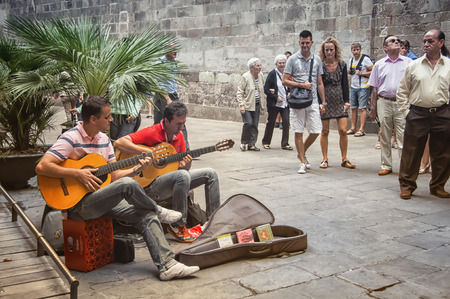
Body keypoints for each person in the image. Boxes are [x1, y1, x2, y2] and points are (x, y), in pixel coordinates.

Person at [35, 96, 200, 280]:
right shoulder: (71, 138)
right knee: (128, 186)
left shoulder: (104, 140)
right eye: (107, 117)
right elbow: (42, 167)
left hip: (103, 198)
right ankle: (158, 209)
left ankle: (167, 265)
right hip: (78, 204)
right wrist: (78, 174)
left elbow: (114, 177)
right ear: (93, 119)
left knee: (146, 214)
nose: (112, 120)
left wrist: (136, 169)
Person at [114, 101, 221, 242]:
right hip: (148, 184)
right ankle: (178, 225)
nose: (181, 127)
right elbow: (119, 143)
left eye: (183, 123)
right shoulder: (153, 132)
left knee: (211, 173)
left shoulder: (180, 137)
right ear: (166, 121)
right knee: (182, 176)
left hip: (167, 182)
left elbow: (181, 170)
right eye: (178, 124)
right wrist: (147, 151)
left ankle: (214, 222)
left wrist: (187, 163)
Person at [396, 29, 450, 199]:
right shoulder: (414, 65)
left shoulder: (448, 66)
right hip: (417, 114)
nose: (426, 44)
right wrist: (407, 113)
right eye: (424, 41)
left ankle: (437, 186)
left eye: (430, 41)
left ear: (441, 43)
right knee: (411, 152)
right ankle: (407, 185)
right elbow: (402, 91)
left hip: (442, 113)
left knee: (442, 153)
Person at [282, 30, 326, 174]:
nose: (305, 45)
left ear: (312, 43)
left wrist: (323, 101)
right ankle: (302, 161)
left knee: (315, 130)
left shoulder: (317, 60)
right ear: (299, 42)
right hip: (297, 100)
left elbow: (319, 82)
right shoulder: (292, 59)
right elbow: (285, 80)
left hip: (312, 99)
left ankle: (301, 151)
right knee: (298, 131)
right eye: (302, 43)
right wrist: (302, 85)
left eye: (307, 43)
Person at [368, 35, 412, 176]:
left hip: (402, 102)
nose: (396, 42)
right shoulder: (379, 64)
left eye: (397, 40)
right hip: (384, 101)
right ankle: (386, 165)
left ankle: (405, 166)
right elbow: (374, 88)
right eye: (392, 41)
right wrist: (373, 108)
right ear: (385, 47)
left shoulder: (409, 63)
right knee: (385, 134)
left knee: (403, 135)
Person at [318, 37, 355, 169]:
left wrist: (347, 100)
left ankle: (344, 158)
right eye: (327, 50)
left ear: (335, 50)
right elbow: (319, 84)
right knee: (325, 131)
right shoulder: (320, 65)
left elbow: (345, 83)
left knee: (343, 130)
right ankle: (325, 158)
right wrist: (320, 102)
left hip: (339, 100)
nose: (329, 52)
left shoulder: (342, 65)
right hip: (326, 100)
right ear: (323, 51)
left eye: (331, 50)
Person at [153, 47, 189, 150]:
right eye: (173, 51)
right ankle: (157, 147)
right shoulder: (159, 63)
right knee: (160, 122)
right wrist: (167, 99)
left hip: (173, 94)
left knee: (181, 121)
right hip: (162, 96)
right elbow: (159, 83)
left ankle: (184, 149)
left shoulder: (175, 62)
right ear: (166, 50)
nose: (175, 53)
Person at [261, 54, 292, 150]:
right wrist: (276, 97)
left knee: (286, 122)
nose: (282, 65)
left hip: (285, 103)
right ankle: (266, 142)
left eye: (283, 63)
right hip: (274, 103)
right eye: (280, 63)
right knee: (271, 122)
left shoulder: (287, 73)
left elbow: (290, 85)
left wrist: (289, 93)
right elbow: (266, 89)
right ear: (276, 64)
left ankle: (285, 143)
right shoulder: (272, 74)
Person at [237, 57, 266, 151]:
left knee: (255, 125)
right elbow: (240, 92)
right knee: (248, 123)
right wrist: (241, 105)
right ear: (251, 67)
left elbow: (262, 88)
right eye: (257, 65)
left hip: (257, 104)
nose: (260, 67)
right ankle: (244, 142)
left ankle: (252, 144)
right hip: (247, 105)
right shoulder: (245, 77)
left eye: (260, 65)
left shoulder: (261, 76)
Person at [346, 42, 373, 137]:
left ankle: (361, 129)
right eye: (354, 50)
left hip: (363, 86)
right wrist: (350, 72)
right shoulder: (351, 60)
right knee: (353, 107)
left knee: (362, 108)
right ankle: (353, 127)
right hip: (354, 86)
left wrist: (362, 73)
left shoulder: (365, 59)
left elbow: (373, 71)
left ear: (360, 50)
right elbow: (352, 72)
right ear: (351, 50)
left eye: (357, 50)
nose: (356, 52)